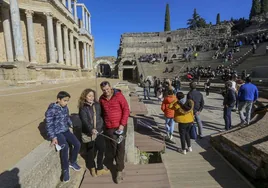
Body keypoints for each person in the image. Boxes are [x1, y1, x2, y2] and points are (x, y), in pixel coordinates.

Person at [45, 91, 81, 183]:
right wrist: (53, 137)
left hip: (66, 130)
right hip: (57, 133)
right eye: (65, 100)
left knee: (77, 144)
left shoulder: (65, 107)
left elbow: (67, 117)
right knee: (65, 147)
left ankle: (72, 162)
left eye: (67, 101)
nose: (66, 102)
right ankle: (65, 170)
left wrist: (70, 123)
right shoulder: (51, 110)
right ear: (58, 100)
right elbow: (49, 125)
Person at [99, 81, 130, 184]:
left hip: (120, 126)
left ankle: (119, 170)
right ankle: (115, 163)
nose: (106, 91)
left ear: (110, 87)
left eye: (107, 89)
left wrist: (122, 124)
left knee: (120, 147)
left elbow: (126, 109)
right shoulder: (101, 99)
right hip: (109, 127)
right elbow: (102, 113)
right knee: (114, 147)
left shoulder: (118, 95)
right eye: (104, 90)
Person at [78, 88, 110, 177]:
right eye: (89, 96)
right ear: (84, 97)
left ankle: (99, 168)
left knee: (102, 148)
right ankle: (92, 168)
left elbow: (100, 117)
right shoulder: (82, 108)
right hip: (89, 133)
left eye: (92, 96)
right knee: (91, 151)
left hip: (99, 131)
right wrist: (91, 129)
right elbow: (84, 121)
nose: (91, 98)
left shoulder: (97, 105)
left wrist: (100, 128)